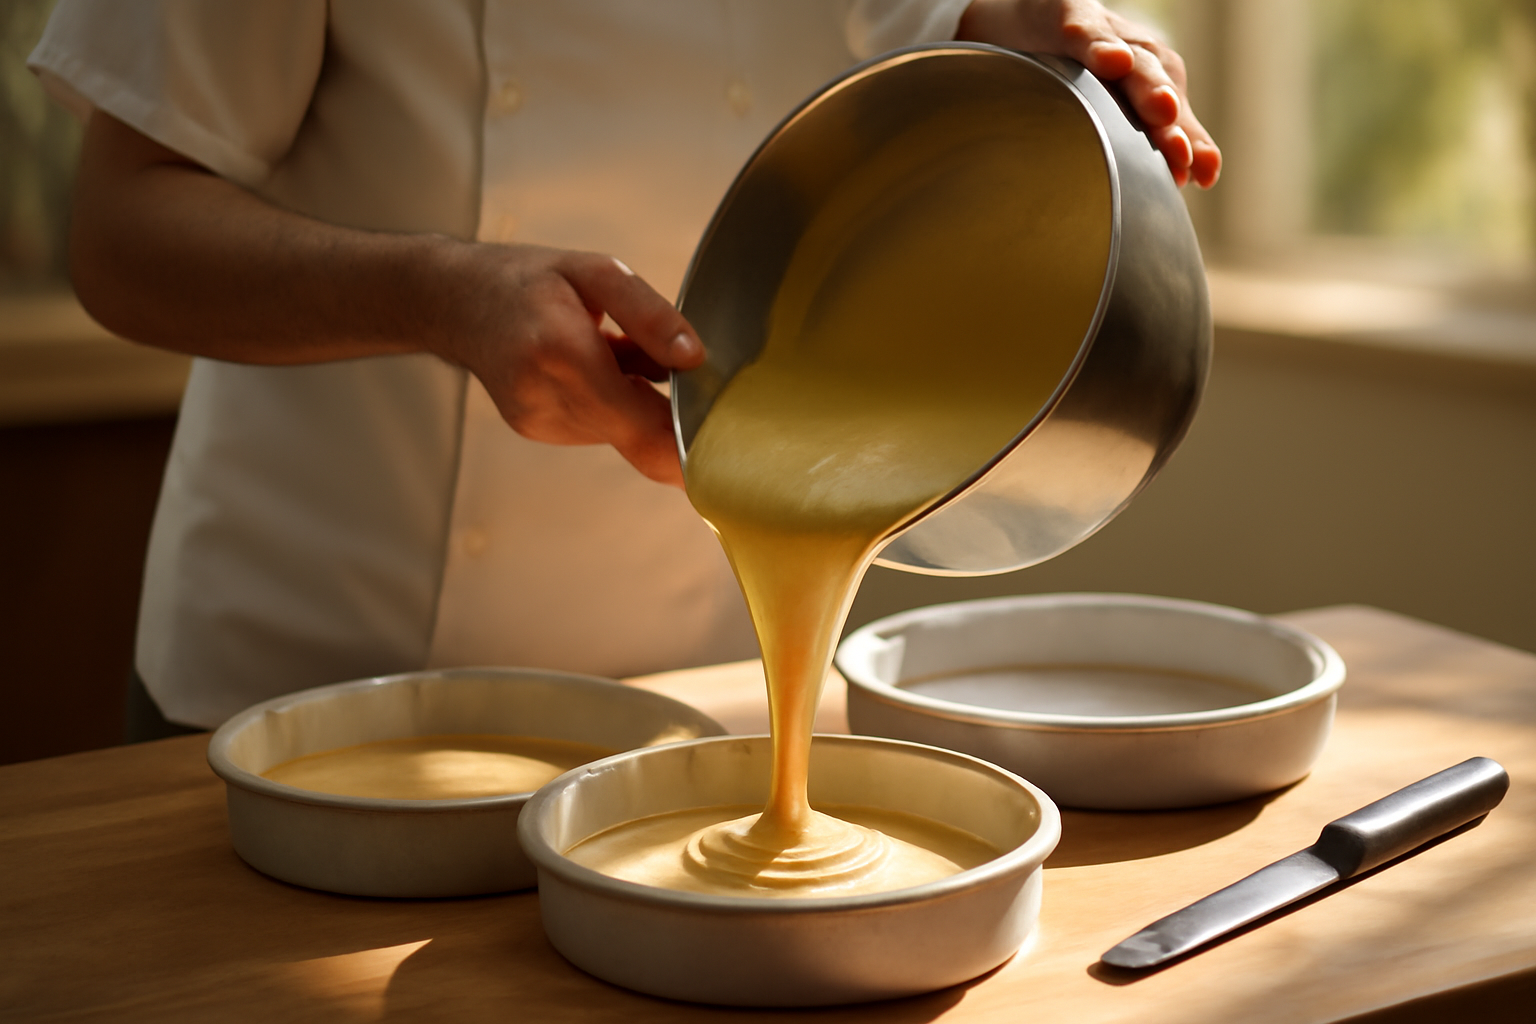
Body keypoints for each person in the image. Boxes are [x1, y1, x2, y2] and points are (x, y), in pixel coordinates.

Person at [28, 0, 1219, 737]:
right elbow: (123, 237)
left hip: (692, 704)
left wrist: (1028, 40)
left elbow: (924, 49)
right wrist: (442, 292)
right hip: (311, 691)